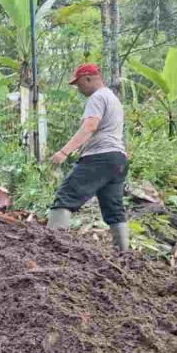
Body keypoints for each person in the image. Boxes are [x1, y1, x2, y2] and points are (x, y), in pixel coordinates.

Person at [48, 64, 129, 251]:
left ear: (88, 78)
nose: (78, 89)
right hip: (118, 159)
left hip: (100, 156)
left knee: (66, 196)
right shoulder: (113, 98)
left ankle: (50, 249)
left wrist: (63, 152)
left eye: (78, 84)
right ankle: (124, 255)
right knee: (114, 209)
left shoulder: (97, 97)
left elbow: (90, 126)